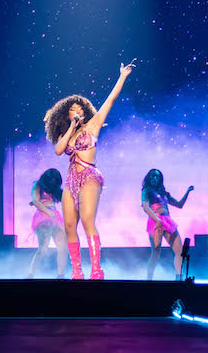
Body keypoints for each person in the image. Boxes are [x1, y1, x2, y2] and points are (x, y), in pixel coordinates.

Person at [42, 61, 137, 280]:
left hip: (89, 176)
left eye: (80, 109)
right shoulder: (66, 133)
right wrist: (71, 128)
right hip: (71, 179)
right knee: (69, 225)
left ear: (85, 112)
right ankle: (77, 271)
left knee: (87, 220)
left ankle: (96, 270)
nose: (77, 111)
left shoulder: (93, 125)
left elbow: (110, 100)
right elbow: (58, 150)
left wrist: (122, 76)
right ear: (66, 114)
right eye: (72, 110)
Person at [141, 169, 193, 280]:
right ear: (149, 178)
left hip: (167, 221)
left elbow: (179, 205)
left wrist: (187, 192)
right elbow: (146, 208)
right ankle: (148, 280)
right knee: (155, 253)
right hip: (155, 222)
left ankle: (178, 278)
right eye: (153, 176)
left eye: (157, 176)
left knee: (179, 251)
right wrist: (158, 221)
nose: (155, 178)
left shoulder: (164, 193)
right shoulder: (147, 191)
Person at [27, 169, 67, 279]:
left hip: (55, 217)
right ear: (47, 178)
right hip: (43, 216)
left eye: (55, 180)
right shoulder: (38, 185)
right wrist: (48, 212)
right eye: (51, 179)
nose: (53, 182)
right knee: (43, 248)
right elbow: (36, 201)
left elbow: (67, 198)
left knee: (63, 247)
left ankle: (61, 275)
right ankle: (30, 274)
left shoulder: (55, 190)